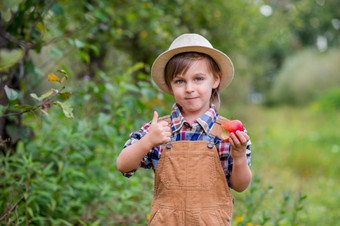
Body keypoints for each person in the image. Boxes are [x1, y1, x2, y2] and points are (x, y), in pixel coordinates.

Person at [116, 33, 252, 225]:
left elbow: (240, 185)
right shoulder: (158, 130)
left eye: (198, 79)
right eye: (180, 81)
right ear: (171, 87)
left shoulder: (227, 133)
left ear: (215, 80)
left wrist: (238, 156)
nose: (189, 88)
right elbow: (123, 165)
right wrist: (148, 141)